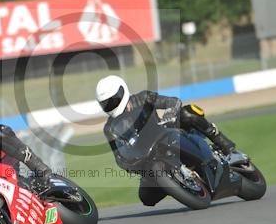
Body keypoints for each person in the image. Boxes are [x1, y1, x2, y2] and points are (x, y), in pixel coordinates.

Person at [96, 75, 236, 207]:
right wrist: (130, 164)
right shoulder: (110, 128)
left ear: (122, 91)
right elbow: (119, 158)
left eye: (112, 100)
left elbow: (172, 101)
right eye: (105, 103)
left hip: (168, 135)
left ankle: (224, 144)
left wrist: (170, 112)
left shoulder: (143, 98)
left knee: (187, 113)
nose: (110, 105)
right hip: (148, 158)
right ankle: (177, 183)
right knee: (147, 198)